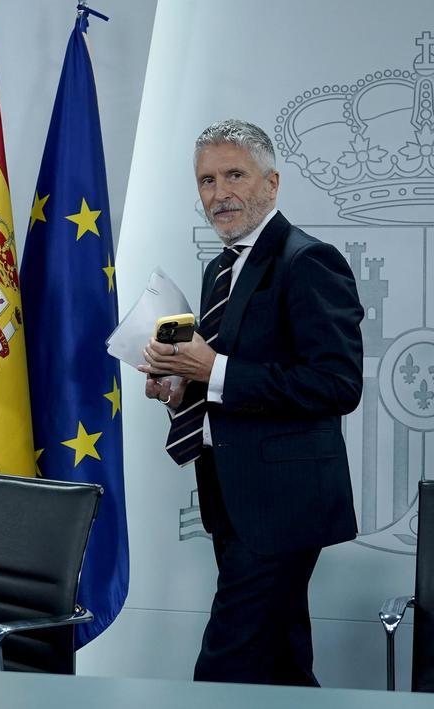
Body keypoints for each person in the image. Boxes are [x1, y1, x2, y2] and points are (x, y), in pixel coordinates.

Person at [140, 119, 362, 686]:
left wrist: (213, 370)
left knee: (225, 667)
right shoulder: (220, 268)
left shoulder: (309, 261)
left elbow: (337, 384)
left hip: (284, 506)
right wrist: (181, 386)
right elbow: (228, 381)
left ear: (272, 183)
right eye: (207, 180)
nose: (219, 193)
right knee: (281, 665)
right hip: (234, 497)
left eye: (234, 174)